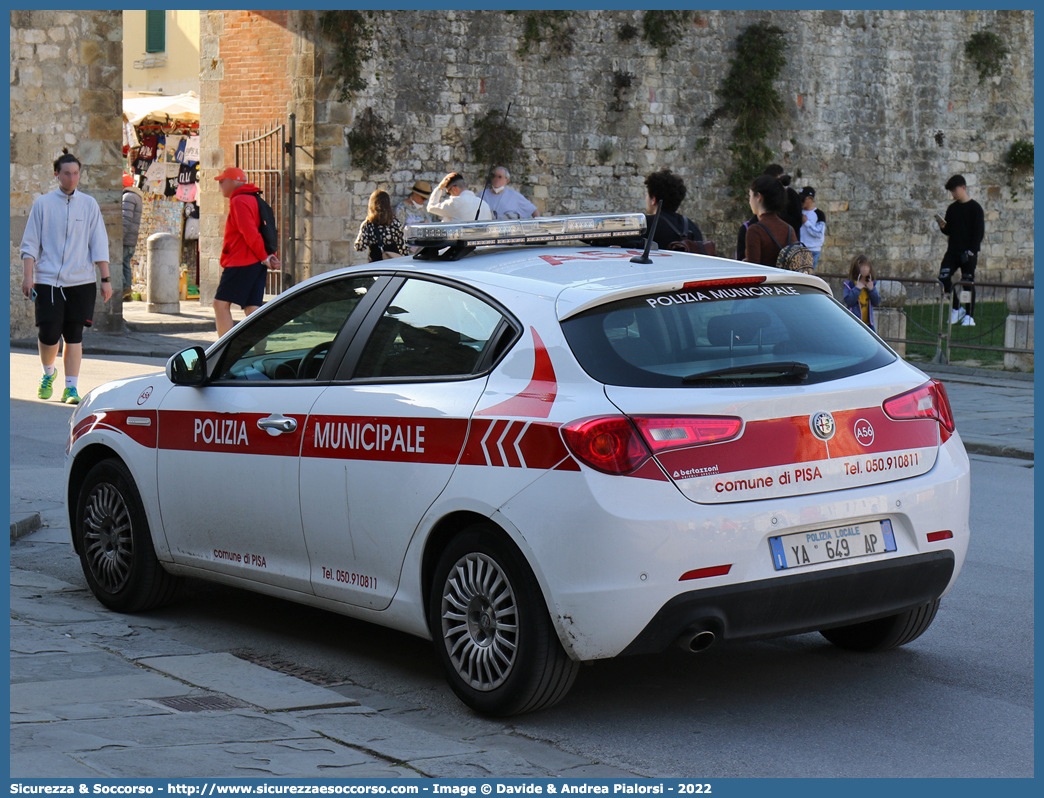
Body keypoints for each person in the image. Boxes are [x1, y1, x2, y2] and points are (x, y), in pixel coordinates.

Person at [20, 149, 112, 404]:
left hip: (81, 281)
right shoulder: (43, 204)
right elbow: (29, 245)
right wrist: (28, 277)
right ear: (57, 175)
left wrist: (105, 279)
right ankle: (48, 373)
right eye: (67, 173)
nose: (72, 178)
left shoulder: (89, 204)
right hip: (48, 280)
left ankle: (71, 388)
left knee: (74, 336)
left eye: (76, 173)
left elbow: (99, 243)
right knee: (49, 334)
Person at [212, 166, 281, 337]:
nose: (220, 185)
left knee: (220, 304)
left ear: (232, 182)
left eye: (222, 182)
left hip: (241, 261)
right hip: (256, 261)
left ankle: (222, 350)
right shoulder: (253, 198)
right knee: (252, 309)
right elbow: (265, 230)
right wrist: (268, 257)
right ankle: (259, 351)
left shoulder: (239, 201)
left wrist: (265, 257)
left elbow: (250, 232)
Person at [936, 174, 985, 327]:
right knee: (943, 278)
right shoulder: (952, 209)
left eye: (954, 190)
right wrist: (943, 227)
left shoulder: (975, 208)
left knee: (967, 283)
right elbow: (950, 230)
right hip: (952, 252)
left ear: (963, 188)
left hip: (968, 253)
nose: (953, 194)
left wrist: (971, 252)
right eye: (951, 191)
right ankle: (957, 307)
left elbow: (979, 232)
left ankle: (969, 316)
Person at [743, 174, 794, 267]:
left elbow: (752, 269)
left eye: (750, 196)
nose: (749, 201)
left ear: (758, 197)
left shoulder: (755, 230)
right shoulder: (789, 229)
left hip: (768, 281)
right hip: (787, 281)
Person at [355, 189, 409, 262]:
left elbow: (359, 247)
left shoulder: (368, 224)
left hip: (375, 264)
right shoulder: (395, 223)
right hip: (392, 263)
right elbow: (403, 247)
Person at [427, 172, 492, 223]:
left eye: (448, 192)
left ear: (454, 189)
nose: (450, 195)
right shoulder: (484, 204)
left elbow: (431, 207)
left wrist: (440, 187)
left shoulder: (455, 202)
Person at [763, 164, 804, 237]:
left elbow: (797, 222)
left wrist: (776, 213)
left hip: (787, 242)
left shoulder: (791, 195)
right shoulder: (765, 195)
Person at [121, 173, 144, 300]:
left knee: (118, 263)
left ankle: (125, 287)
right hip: (131, 238)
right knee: (125, 263)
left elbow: (126, 219)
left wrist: (120, 237)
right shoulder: (136, 197)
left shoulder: (128, 197)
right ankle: (127, 291)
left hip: (126, 238)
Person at [843, 255, 881, 330]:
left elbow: (877, 301)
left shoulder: (872, 284)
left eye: (867, 266)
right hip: (854, 324)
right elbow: (848, 301)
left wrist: (872, 289)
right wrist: (857, 288)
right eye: (862, 266)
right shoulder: (850, 284)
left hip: (869, 325)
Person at [799, 186, 826, 270]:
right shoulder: (798, 211)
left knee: (807, 274)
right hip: (800, 249)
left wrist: (806, 222)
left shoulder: (819, 214)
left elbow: (818, 233)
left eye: (803, 199)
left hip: (812, 250)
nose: (801, 201)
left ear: (811, 199)